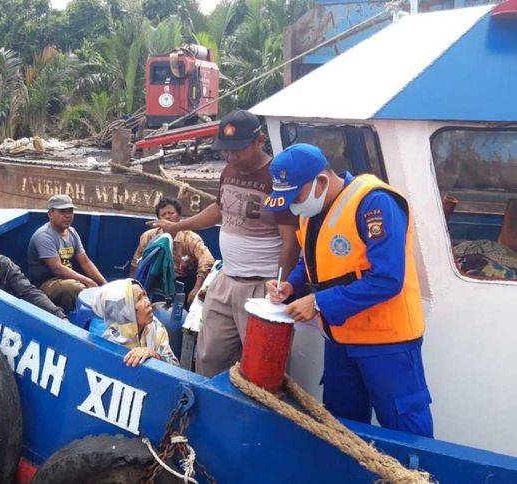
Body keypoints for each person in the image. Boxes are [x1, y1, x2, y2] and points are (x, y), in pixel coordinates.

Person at [264, 143, 433, 437]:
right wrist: (291, 285)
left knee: (405, 428)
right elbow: (311, 259)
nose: (293, 205)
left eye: (296, 196)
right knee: (342, 427)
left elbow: (387, 279)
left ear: (321, 182)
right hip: (340, 337)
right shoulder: (310, 212)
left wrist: (317, 303)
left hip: (386, 342)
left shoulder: (375, 203)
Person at [149, 109, 299, 377]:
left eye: (237, 150)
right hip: (226, 278)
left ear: (259, 140)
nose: (230, 157)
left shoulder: (277, 178)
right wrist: (178, 225)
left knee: (261, 367)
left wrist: (281, 285)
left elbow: (290, 240)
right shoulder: (229, 171)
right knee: (209, 355)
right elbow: (219, 210)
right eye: (225, 151)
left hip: (261, 284)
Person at [27, 194, 107, 312]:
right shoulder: (44, 236)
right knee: (76, 288)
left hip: (66, 279)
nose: (68, 216)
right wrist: (88, 281)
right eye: (62, 211)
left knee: (85, 286)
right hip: (45, 284)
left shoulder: (72, 232)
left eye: (70, 211)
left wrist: (105, 285)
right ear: (50, 214)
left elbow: (85, 262)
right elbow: (57, 269)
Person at [130, 197, 215, 305]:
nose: (167, 217)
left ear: (179, 215)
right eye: (163, 215)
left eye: (171, 213)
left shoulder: (191, 238)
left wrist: (197, 287)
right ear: (158, 218)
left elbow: (207, 260)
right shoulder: (149, 236)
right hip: (156, 280)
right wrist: (132, 286)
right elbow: (136, 262)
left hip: (183, 282)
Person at [91, 279, 179, 367]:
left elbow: (175, 366)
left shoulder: (154, 326)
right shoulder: (108, 346)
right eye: (139, 299)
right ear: (124, 311)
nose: (148, 302)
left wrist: (155, 356)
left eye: (144, 295)